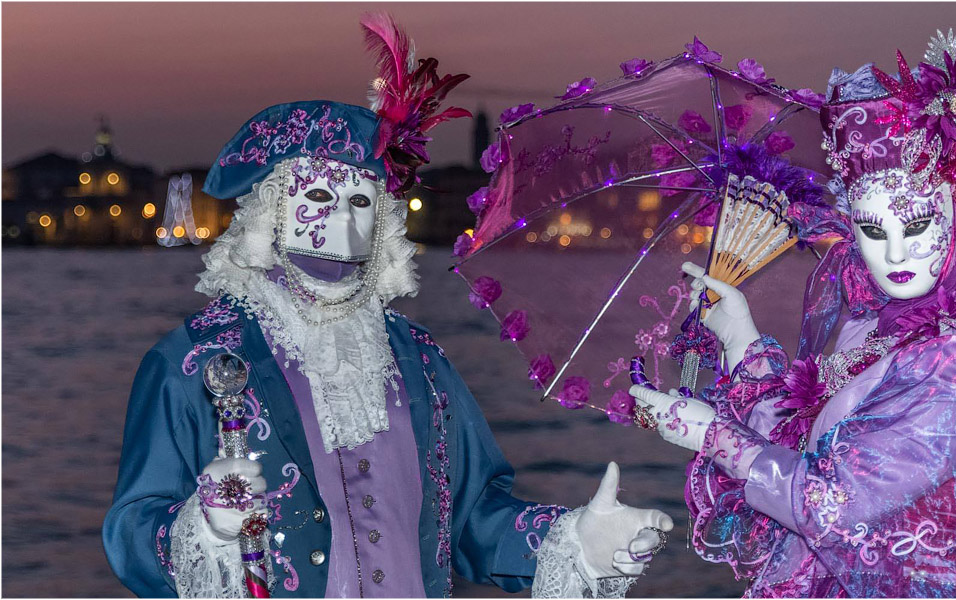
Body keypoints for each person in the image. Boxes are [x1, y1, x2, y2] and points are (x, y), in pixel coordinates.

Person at [103, 14, 671, 598]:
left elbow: (472, 517)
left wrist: (575, 540)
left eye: (360, 200)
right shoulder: (194, 360)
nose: (344, 219)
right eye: (320, 195)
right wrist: (203, 528)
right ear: (270, 211)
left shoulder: (420, 358)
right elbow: (131, 530)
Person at [630, 29, 956, 597]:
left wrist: (709, 433)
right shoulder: (869, 329)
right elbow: (798, 443)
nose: (894, 254)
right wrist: (739, 333)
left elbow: (827, 503)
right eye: (872, 228)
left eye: (916, 225)